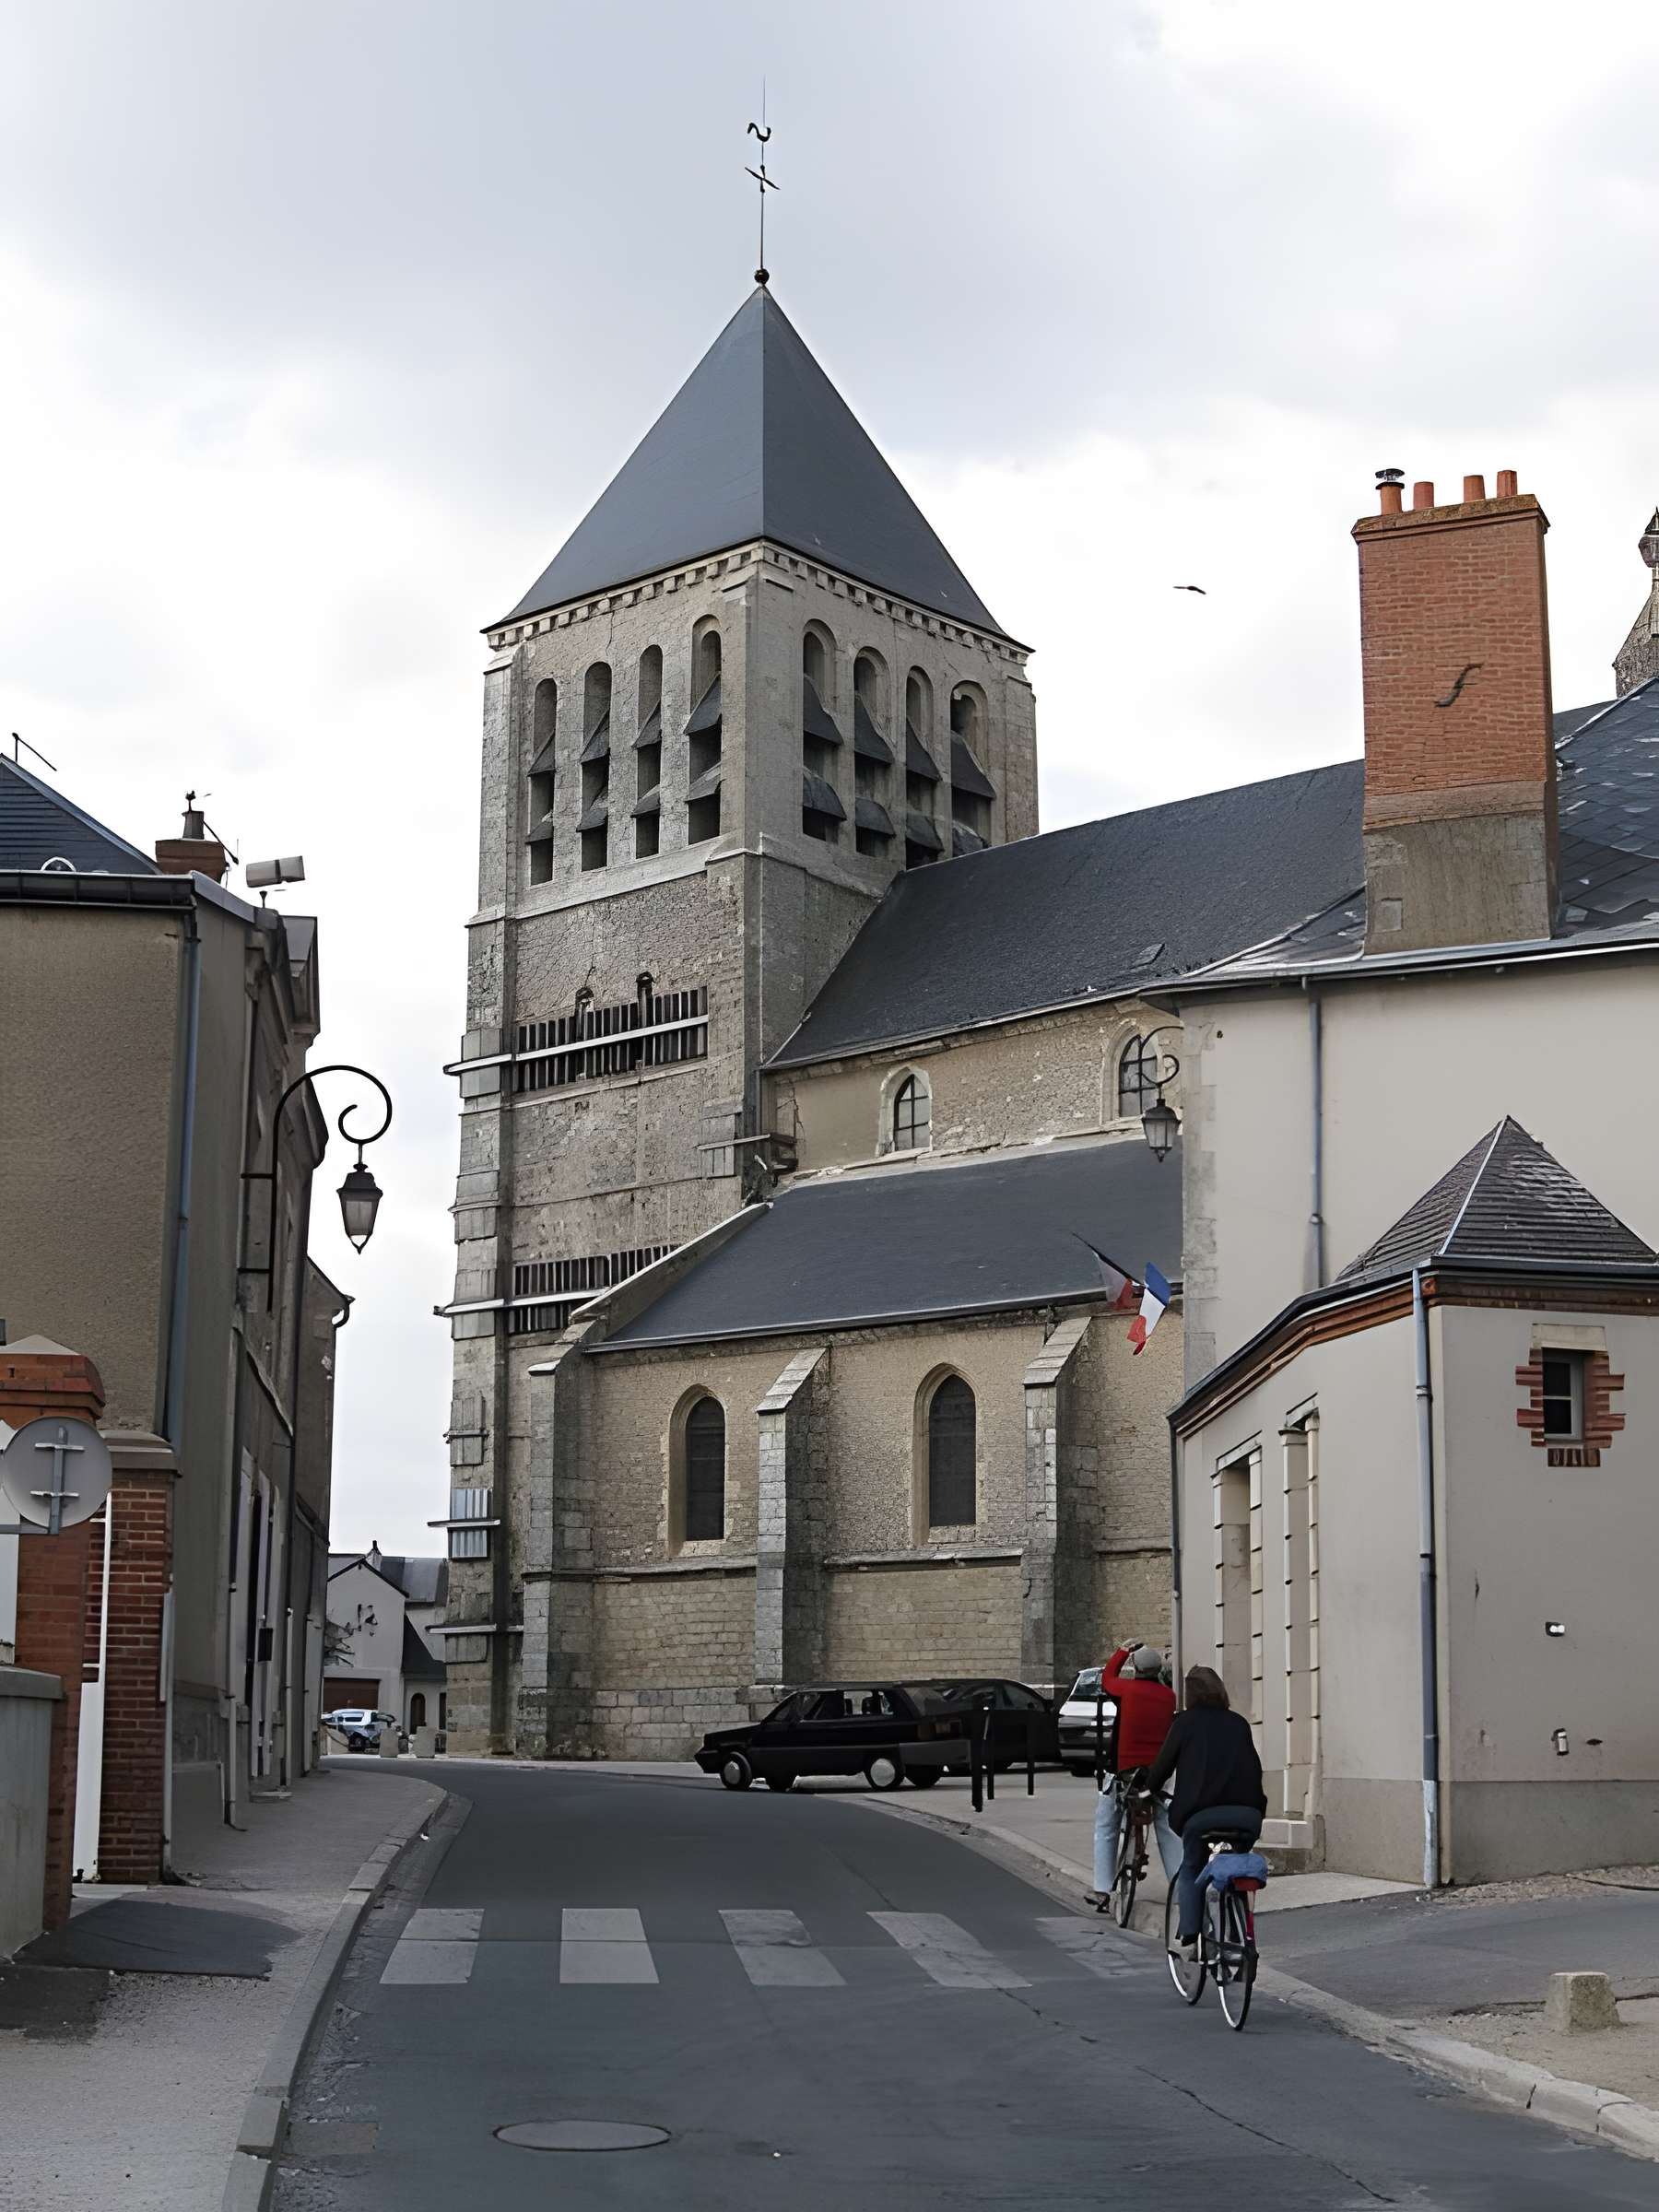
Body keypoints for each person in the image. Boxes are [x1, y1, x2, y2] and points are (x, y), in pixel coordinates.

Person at [1142, 1665, 1266, 1953]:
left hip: (1201, 1816)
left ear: (1190, 1695)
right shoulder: (1239, 1723)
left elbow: (1162, 1766)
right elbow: (1254, 1768)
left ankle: (1189, 1933)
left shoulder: (1185, 1723)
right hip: (1247, 1815)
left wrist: (1148, 1788)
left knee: (1191, 1866)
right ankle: (1240, 1932)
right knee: (1237, 1863)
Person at [1087, 1642, 1180, 1916]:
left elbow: (1107, 1678)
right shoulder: (1169, 1696)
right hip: (1157, 1772)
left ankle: (1103, 1889)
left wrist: (1122, 1651)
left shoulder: (1126, 1691)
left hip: (1125, 1769)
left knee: (1107, 1823)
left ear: (1136, 1669)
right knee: (1168, 1827)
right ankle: (1181, 1888)